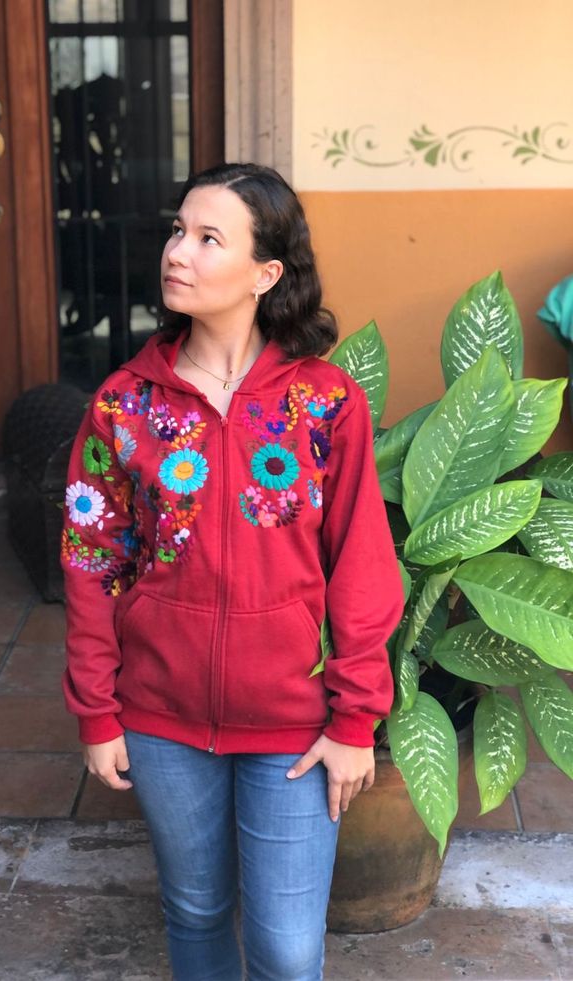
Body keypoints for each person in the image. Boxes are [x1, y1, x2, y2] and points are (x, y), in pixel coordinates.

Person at [61, 162, 404, 980]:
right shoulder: (125, 405)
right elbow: (90, 560)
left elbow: (362, 567)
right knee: (196, 912)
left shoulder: (324, 406)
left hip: (292, 721)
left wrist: (355, 719)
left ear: (266, 272)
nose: (179, 252)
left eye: (209, 238)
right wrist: (97, 710)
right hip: (161, 714)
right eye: (179, 231)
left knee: (287, 948)